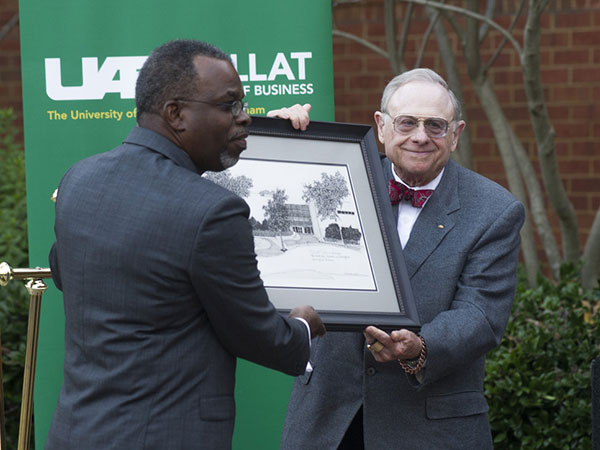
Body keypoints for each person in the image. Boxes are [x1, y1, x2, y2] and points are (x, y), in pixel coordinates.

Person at [45, 39, 325, 450]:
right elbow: (266, 339)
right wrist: (302, 325)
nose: (244, 118)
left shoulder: (79, 180)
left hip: (76, 434)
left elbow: (64, 271)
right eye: (230, 105)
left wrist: (282, 140)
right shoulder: (214, 212)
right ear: (175, 114)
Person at [271, 68, 525, 449]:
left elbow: (481, 315)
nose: (420, 136)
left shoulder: (494, 210)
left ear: (455, 135)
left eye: (436, 126)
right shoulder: (339, 175)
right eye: (407, 122)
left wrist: (421, 349)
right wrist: (274, 142)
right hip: (327, 424)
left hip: (430, 428)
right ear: (381, 126)